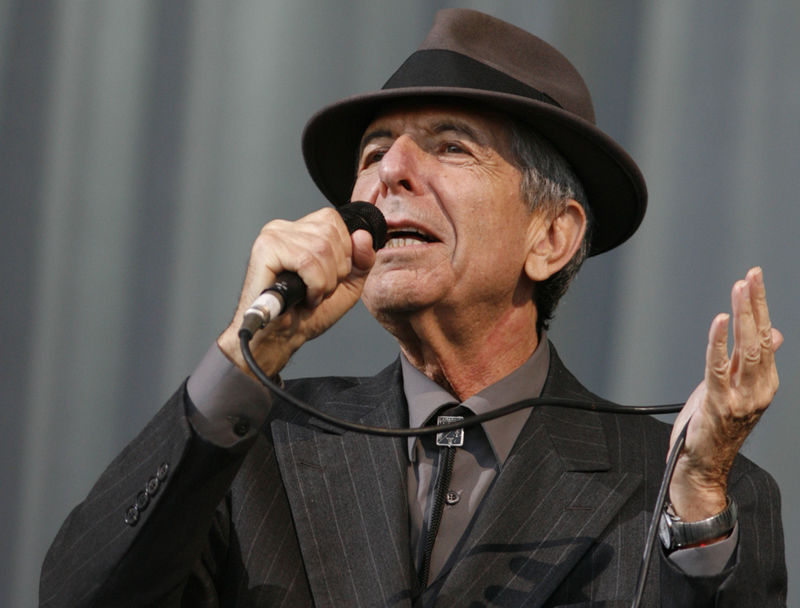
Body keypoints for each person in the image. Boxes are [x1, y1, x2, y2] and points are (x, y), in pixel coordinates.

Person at [40, 8, 786, 607]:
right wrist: (243, 358)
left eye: (450, 147)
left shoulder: (685, 484)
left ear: (552, 236)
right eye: (372, 154)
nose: (390, 173)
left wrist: (694, 500)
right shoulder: (256, 449)